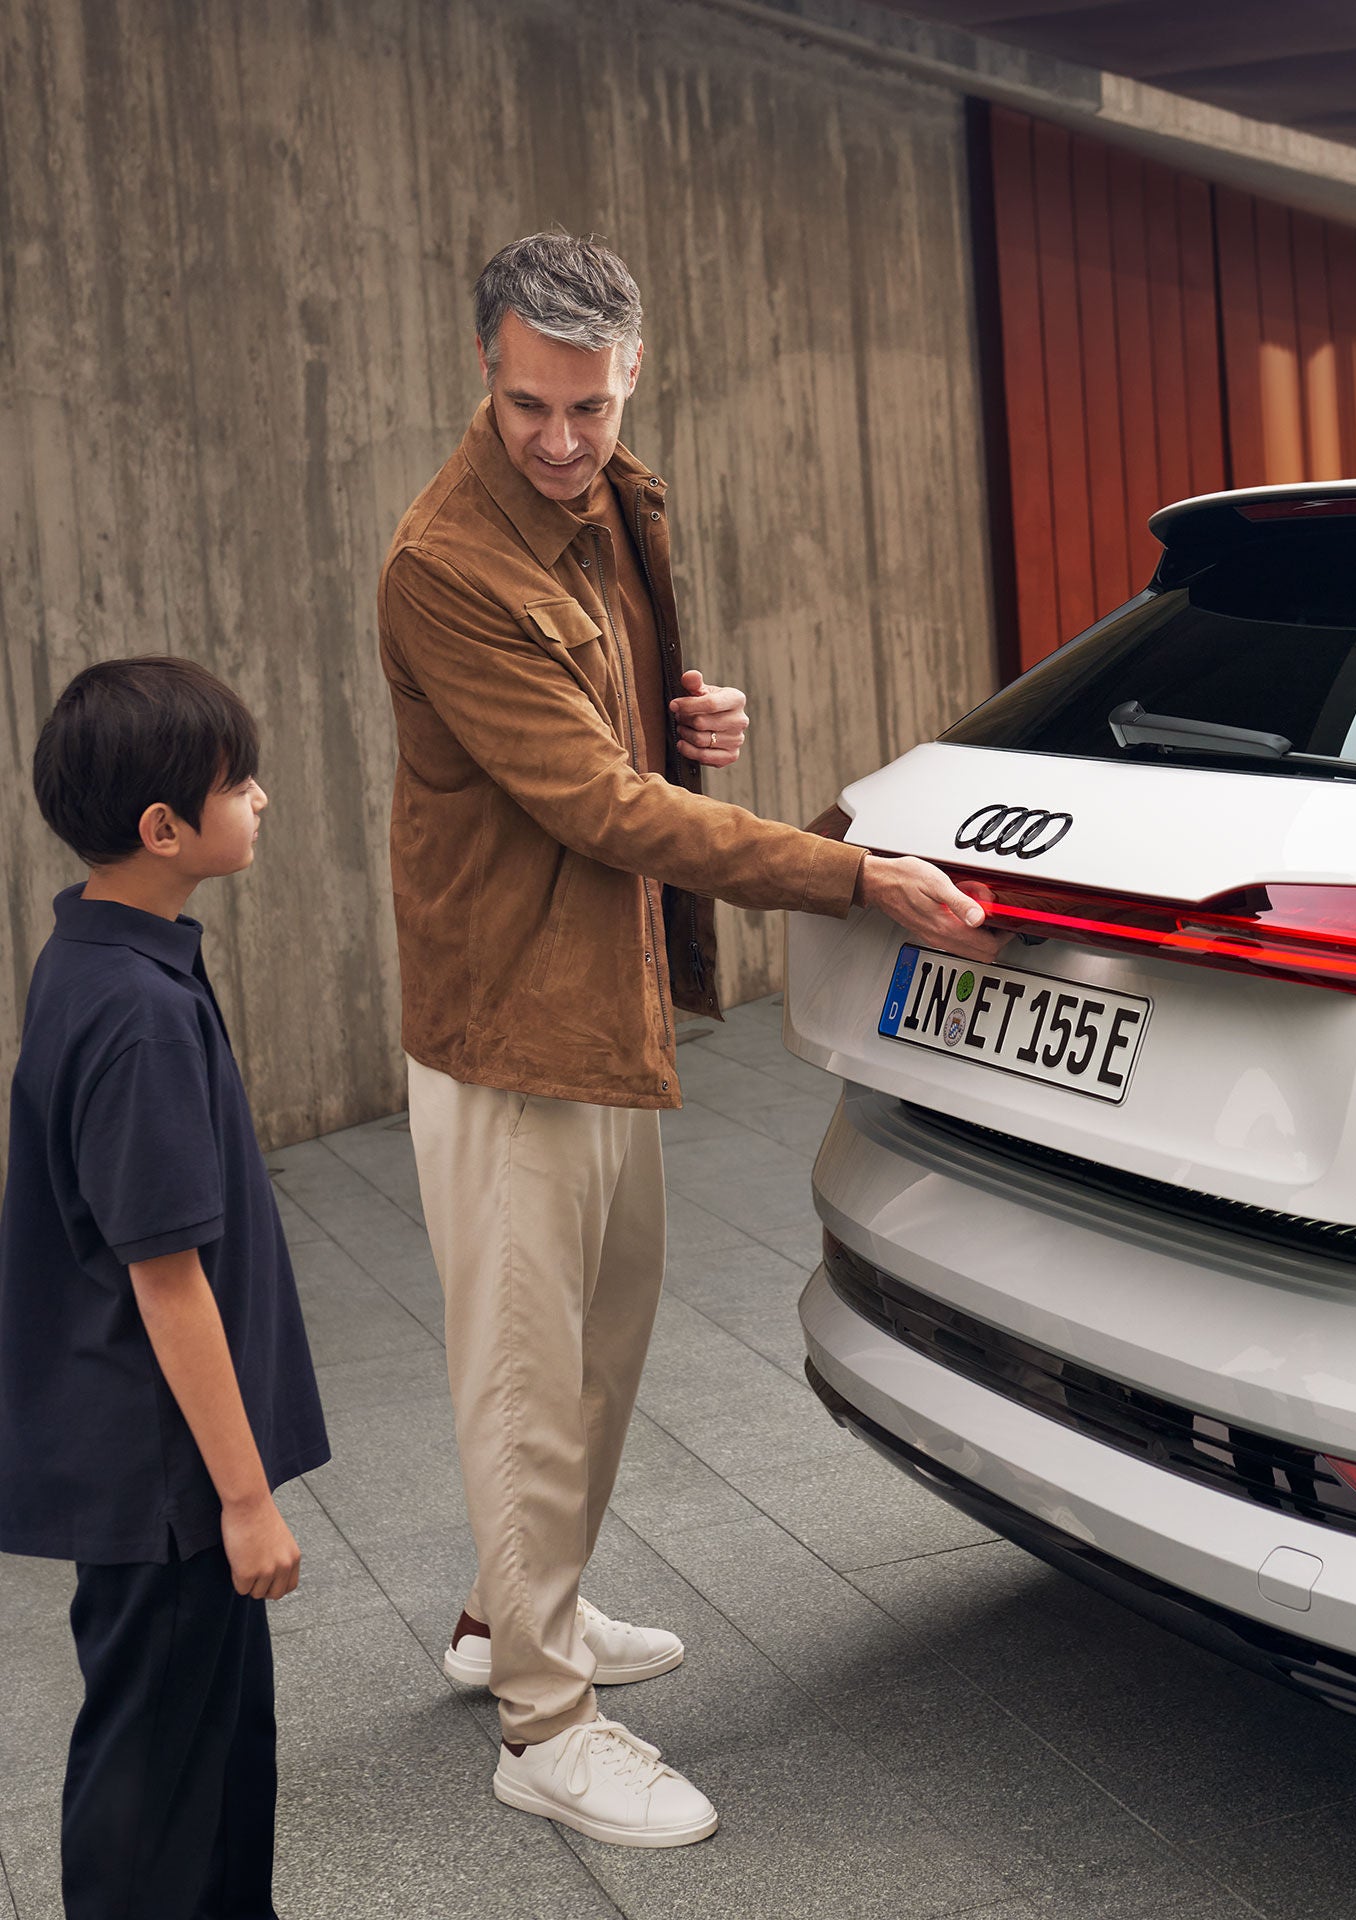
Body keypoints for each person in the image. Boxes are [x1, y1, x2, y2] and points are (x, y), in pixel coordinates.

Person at [377, 230, 997, 1849]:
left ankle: (512, 1617)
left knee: (600, 1347)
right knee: (524, 1384)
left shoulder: (617, 502)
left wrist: (687, 721)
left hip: (602, 994)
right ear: (486, 374)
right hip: (508, 1021)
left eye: (587, 404)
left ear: (631, 373)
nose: (563, 440)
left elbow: (622, 746)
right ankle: (543, 1723)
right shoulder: (445, 562)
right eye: (530, 407)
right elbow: (590, 804)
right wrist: (848, 877)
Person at [0, 657, 329, 1919]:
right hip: (167, 1478)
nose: (261, 800)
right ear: (163, 828)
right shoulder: (133, 1012)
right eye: (238, 784)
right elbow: (165, 1277)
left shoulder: (102, 954)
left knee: (219, 1746)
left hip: (161, 1464)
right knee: (155, 1769)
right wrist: (246, 1503)